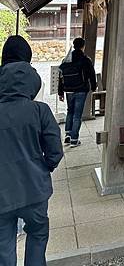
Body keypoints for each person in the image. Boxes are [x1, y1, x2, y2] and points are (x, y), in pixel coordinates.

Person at [0, 36, 63, 266]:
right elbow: (55, 151)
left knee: (3, 245)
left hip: (2, 192)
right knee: (37, 234)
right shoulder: (40, 111)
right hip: (34, 190)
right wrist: (43, 167)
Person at [58, 37, 97, 147]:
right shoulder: (85, 59)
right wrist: (93, 87)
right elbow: (91, 74)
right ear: (83, 46)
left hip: (68, 90)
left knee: (70, 111)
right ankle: (74, 139)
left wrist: (60, 92)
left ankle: (68, 135)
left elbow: (61, 77)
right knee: (77, 114)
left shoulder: (66, 59)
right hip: (80, 90)